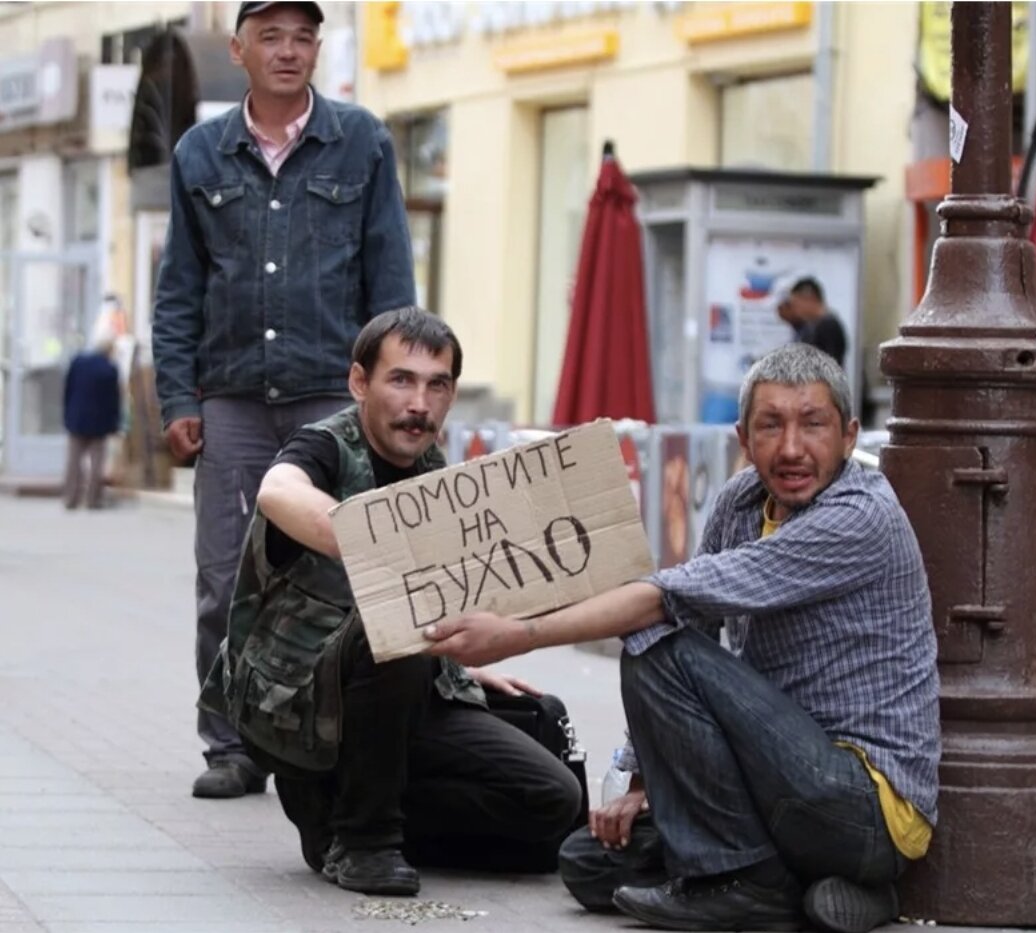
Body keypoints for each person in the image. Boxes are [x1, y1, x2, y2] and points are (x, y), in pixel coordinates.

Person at [425, 343, 940, 933]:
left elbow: (666, 603)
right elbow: (695, 625)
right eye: (771, 426)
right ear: (744, 440)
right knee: (590, 866)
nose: (792, 448)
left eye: (813, 425)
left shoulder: (860, 515)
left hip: (860, 807)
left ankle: (752, 883)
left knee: (654, 646)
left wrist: (521, 633)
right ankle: (802, 888)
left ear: (849, 438)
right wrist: (642, 779)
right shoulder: (742, 501)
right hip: (770, 787)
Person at [199, 307, 581, 896]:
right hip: (298, 700)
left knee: (553, 803)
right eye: (401, 380)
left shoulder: (431, 469)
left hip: (398, 687)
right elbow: (277, 491)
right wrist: (382, 549)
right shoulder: (324, 446)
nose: (419, 403)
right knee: (400, 620)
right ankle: (364, 842)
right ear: (360, 384)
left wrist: (461, 662)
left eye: (437, 384)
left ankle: (341, 814)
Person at [152, 0, 415, 799]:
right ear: (239, 50)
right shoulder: (200, 153)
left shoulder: (362, 142)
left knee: (351, 567)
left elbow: (390, 279)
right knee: (225, 572)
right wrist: (175, 398)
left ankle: (339, 734)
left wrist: (396, 394)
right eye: (271, 36)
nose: (289, 50)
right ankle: (231, 743)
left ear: (318, 49)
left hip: (333, 400)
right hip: (230, 397)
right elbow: (179, 290)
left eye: (303, 36)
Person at [62, 313, 121, 510]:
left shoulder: (78, 362)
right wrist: (115, 423)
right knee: (97, 462)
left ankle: (71, 498)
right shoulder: (110, 369)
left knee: (73, 461)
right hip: (100, 422)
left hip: (76, 419)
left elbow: (68, 389)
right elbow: (114, 399)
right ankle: (93, 500)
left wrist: (67, 414)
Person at [788, 277, 848, 368]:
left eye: (797, 304)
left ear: (809, 299)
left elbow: (828, 366)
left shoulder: (828, 327)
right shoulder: (809, 327)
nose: (795, 310)